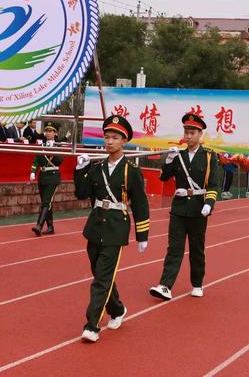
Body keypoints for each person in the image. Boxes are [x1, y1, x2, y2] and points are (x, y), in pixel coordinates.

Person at [74, 115, 149, 342]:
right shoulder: (97, 168)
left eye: (114, 138)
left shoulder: (131, 171)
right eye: (106, 137)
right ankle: (117, 309)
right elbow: (81, 193)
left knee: (101, 280)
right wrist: (80, 169)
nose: (109, 141)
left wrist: (142, 235)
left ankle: (92, 325)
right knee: (101, 274)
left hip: (116, 228)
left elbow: (140, 204)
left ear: (124, 141)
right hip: (95, 226)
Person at [150, 113, 217, 301]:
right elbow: (164, 177)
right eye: (186, 132)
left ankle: (197, 283)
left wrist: (209, 204)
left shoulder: (209, 157)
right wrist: (169, 160)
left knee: (197, 249)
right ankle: (165, 285)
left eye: (193, 132)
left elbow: (213, 184)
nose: (188, 136)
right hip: (179, 208)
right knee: (174, 248)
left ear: (200, 134)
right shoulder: (178, 155)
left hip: (198, 208)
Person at [29, 121, 64, 236]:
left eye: (51, 131)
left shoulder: (58, 146)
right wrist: (33, 171)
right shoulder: (42, 146)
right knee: (47, 203)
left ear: (55, 133)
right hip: (42, 177)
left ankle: (39, 225)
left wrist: (52, 151)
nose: (48, 133)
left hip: (53, 177)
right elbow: (36, 160)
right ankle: (50, 227)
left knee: (46, 202)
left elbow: (60, 161)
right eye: (47, 131)